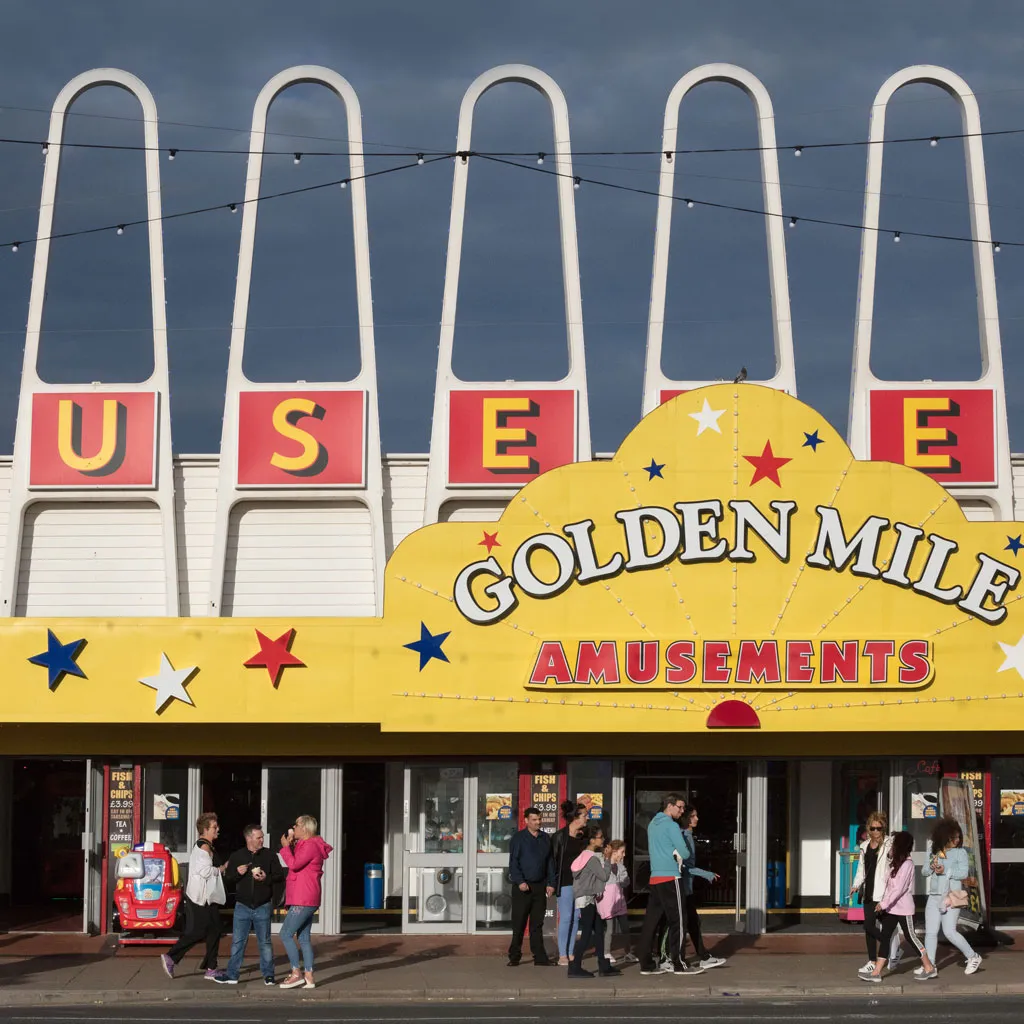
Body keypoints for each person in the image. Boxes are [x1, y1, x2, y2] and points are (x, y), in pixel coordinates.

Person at [636, 793, 704, 977]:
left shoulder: (652, 824)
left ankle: (646, 964)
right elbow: (685, 852)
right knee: (679, 921)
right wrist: (677, 851)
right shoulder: (671, 825)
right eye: (680, 807)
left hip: (655, 877)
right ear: (670, 805)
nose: (682, 811)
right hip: (671, 877)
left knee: (651, 922)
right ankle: (679, 964)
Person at [160, 811, 227, 980]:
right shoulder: (203, 847)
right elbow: (205, 871)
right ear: (205, 830)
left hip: (206, 897)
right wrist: (220, 869)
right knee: (198, 931)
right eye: (214, 827)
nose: (217, 829)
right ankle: (171, 957)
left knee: (215, 929)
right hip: (200, 898)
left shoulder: (206, 846)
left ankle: (211, 968)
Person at [216, 823, 285, 986]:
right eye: (258, 837)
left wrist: (266, 878)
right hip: (242, 905)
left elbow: (279, 876)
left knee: (265, 942)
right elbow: (228, 879)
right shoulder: (237, 856)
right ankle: (232, 974)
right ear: (249, 838)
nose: (262, 840)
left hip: (262, 905)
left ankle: (269, 975)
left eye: (262, 837)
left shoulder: (269, 855)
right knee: (238, 942)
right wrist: (237, 873)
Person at [860, 831, 933, 983]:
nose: (891, 846)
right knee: (885, 937)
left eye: (894, 844)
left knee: (910, 937)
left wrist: (883, 904)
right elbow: (887, 883)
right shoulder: (895, 864)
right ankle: (876, 972)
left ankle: (928, 967)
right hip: (892, 908)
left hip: (904, 909)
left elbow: (899, 889)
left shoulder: (907, 864)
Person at [919, 816, 982, 978]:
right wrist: (932, 867)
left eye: (958, 837)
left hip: (951, 897)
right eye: (953, 837)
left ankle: (973, 956)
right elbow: (924, 871)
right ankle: (930, 966)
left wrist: (945, 871)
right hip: (934, 896)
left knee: (949, 932)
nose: (957, 840)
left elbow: (963, 873)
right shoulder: (933, 850)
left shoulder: (960, 853)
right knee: (930, 933)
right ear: (944, 836)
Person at [278, 814, 333, 990]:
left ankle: (296, 973)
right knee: (303, 937)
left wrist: (285, 848)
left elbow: (294, 864)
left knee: (285, 934)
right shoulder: (308, 844)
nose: (293, 828)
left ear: (304, 828)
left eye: (296, 825)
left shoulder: (310, 845)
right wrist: (291, 844)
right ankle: (309, 975)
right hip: (307, 897)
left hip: (303, 897)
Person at [850, 810, 903, 975]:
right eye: (872, 828)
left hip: (883, 893)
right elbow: (861, 869)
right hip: (868, 892)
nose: (875, 832)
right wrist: (856, 885)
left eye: (879, 828)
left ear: (883, 828)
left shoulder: (889, 844)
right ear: (868, 828)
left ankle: (891, 949)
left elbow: (895, 861)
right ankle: (872, 961)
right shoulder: (864, 846)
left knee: (879, 927)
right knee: (869, 927)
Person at [506, 806, 557, 967]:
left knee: (537, 924)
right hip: (523, 887)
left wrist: (551, 883)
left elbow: (550, 862)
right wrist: (520, 881)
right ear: (526, 820)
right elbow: (513, 863)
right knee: (519, 923)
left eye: (539, 819)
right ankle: (514, 956)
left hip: (539, 886)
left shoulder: (545, 838)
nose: (538, 822)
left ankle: (540, 957)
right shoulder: (519, 838)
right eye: (534, 820)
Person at [568, 823, 618, 978]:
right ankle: (574, 967)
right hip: (586, 899)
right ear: (591, 840)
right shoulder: (592, 859)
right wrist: (608, 859)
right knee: (587, 933)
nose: (603, 840)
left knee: (599, 930)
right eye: (600, 837)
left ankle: (604, 965)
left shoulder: (583, 855)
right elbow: (604, 876)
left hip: (586, 897)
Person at [679, 804, 726, 969]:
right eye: (693, 816)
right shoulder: (685, 837)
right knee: (685, 923)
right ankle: (678, 958)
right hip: (683, 888)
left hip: (686, 888)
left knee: (692, 922)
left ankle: (702, 956)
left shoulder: (687, 836)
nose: (697, 819)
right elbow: (686, 866)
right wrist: (707, 874)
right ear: (686, 819)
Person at [551, 800, 589, 966]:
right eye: (584, 815)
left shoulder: (583, 836)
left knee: (575, 918)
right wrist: (551, 883)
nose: (587, 818)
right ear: (575, 817)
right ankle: (562, 954)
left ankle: (570, 951)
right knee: (566, 917)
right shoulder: (559, 836)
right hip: (565, 882)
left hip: (580, 883)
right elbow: (552, 861)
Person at [597, 839, 634, 963]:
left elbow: (625, 881)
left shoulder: (620, 866)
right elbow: (599, 881)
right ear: (614, 851)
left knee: (625, 928)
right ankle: (606, 952)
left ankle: (628, 952)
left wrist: (625, 880)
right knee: (610, 929)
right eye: (622, 852)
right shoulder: (603, 865)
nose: (624, 855)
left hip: (619, 900)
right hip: (607, 902)